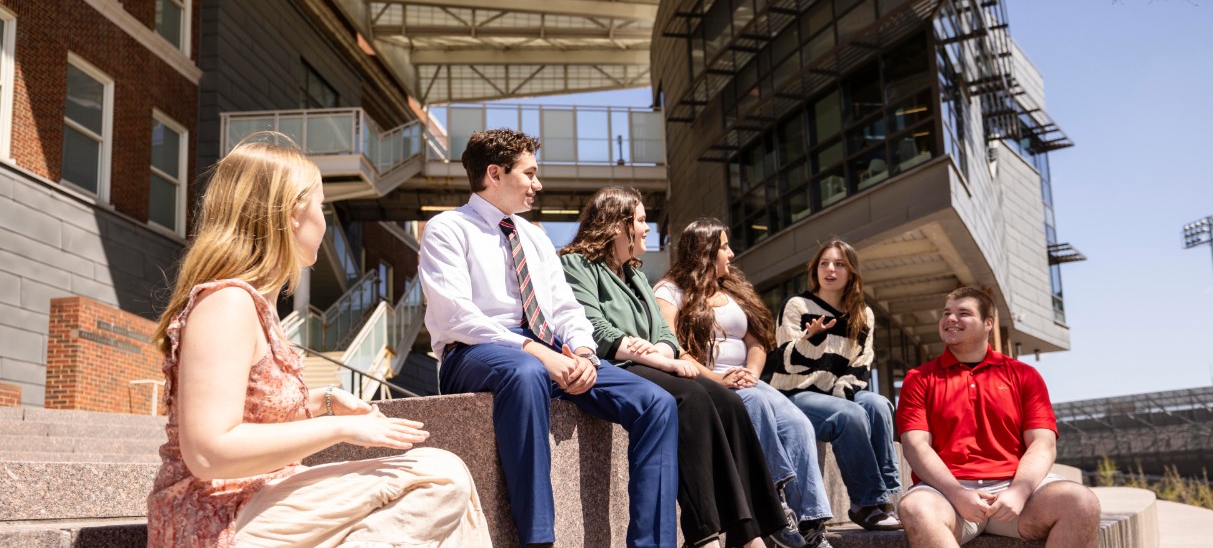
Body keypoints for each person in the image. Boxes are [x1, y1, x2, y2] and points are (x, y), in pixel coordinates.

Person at [146, 138, 490, 547]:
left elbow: (247, 409)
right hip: (217, 520)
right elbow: (208, 452)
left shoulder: (252, 306)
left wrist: (324, 400)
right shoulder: (226, 304)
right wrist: (339, 428)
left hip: (259, 502)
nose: (324, 220)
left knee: (450, 486)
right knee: (438, 476)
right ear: (293, 212)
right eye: (321, 206)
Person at [418, 129, 678, 548]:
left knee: (656, 403)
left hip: (549, 350)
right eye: (530, 173)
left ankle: (652, 544)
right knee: (525, 373)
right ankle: (538, 540)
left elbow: (565, 310)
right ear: (494, 173)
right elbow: (456, 315)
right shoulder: (447, 229)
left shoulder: (536, 237)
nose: (538, 184)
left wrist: (584, 352)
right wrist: (536, 351)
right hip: (474, 352)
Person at [558, 187, 804, 548]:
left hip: (650, 361)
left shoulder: (636, 274)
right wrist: (655, 357)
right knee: (691, 398)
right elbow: (593, 327)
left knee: (729, 403)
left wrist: (660, 348)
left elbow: (662, 330)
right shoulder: (577, 264)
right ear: (616, 225)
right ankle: (703, 534)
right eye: (640, 220)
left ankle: (751, 533)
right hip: (617, 364)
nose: (647, 229)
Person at [655, 219, 834, 548]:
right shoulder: (669, 292)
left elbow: (756, 342)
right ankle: (774, 508)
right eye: (723, 247)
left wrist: (751, 372)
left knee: (799, 424)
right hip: (708, 382)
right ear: (705, 251)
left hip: (746, 378)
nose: (731, 254)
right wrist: (719, 378)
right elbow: (673, 348)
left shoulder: (732, 289)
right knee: (758, 406)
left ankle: (811, 521)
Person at [895, 287, 1101, 547]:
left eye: (963, 313)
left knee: (1081, 503)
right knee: (916, 507)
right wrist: (957, 494)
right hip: (947, 494)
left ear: (988, 324)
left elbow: (1043, 443)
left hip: (1016, 493)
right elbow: (915, 446)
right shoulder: (919, 379)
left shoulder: (1024, 375)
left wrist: (1018, 491)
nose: (950, 319)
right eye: (946, 313)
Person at [768, 239, 902, 531]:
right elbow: (787, 361)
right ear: (815, 269)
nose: (830, 269)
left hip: (838, 392)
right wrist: (810, 339)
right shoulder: (798, 305)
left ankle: (888, 496)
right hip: (796, 393)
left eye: (839, 264)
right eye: (824, 263)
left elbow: (862, 364)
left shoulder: (863, 314)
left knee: (879, 404)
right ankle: (865, 504)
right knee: (849, 414)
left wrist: (843, 392)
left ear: (851, 272)